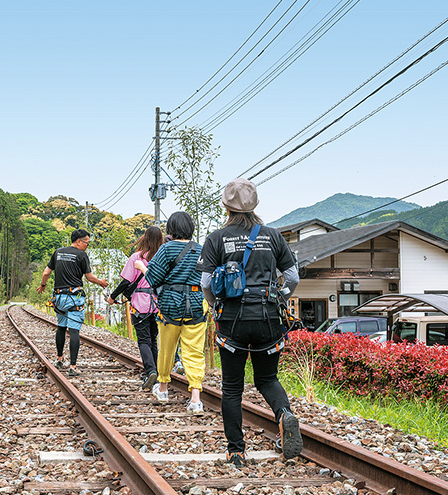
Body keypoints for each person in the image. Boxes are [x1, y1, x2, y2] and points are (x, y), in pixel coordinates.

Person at [198, 178, 302, 466]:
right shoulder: (273, 236)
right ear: (255, 204)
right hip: (268, 317)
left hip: (232, 319)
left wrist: (214, 304)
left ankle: (236, 449)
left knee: (232, 386)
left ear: (226, 206)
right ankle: (284, 415)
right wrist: (278, 296)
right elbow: (292, 278)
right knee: (267, 378)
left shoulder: (217, 238)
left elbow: (206, 282)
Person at [134, 211, 206, 415]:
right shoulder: (201, 250)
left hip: (170, 306)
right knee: (194, 352)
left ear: (171, 229)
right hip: (196, 305)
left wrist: (141, 267)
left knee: (166, 348)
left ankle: (163, 389)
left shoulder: (166, 249)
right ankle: (195, 400)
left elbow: (154, 279)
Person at [36, 229, 108, 376]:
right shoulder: (82, 255)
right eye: (86, 242)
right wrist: (100, 282)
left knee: (61, 327)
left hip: (59, 298)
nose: (87, 245)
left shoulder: (58, 252)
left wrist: (43, 285)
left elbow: (46, 273)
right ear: (79, 241)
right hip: (74, 297)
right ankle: (73, 367)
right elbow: (89, 277)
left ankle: (59, 358)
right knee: (74, 330)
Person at [107, 226, 164, 390]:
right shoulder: (162, 257)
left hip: (140, 303)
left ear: (144, 238)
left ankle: (151, 370)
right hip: (157, 304)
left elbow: (125, 282)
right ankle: (156, 373)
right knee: (153, 339)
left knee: (144, 340)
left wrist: (112, 297)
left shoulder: (136, 257)